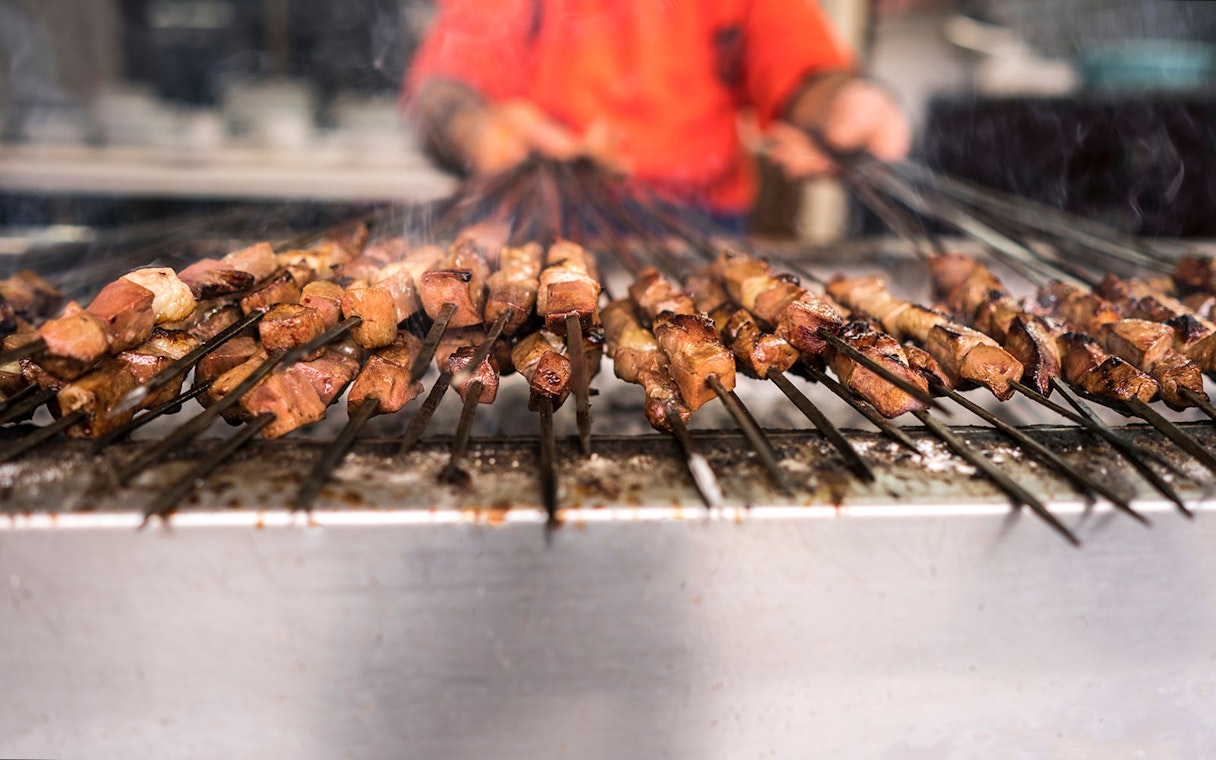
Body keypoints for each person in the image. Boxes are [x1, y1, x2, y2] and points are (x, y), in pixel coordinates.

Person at [403, 0, 910, 227]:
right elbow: (442, 94)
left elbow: (806, 75)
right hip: (542, 211)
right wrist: (478, 131)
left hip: (703, 221)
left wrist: (846, 105)